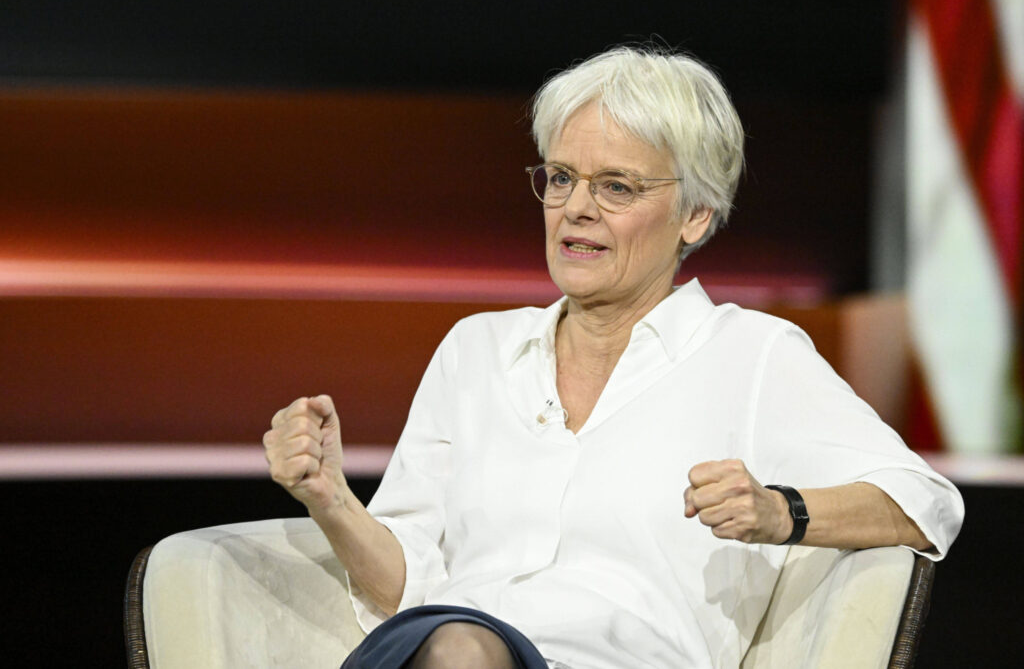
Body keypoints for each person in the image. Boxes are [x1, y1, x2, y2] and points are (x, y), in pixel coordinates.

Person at [263, 46, 964, 669]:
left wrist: (782, 512)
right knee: (456, 644)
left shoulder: (753, 355)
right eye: (561, 177)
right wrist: (331, 499)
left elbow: (926, 503)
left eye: (616, 187)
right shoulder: (476, 350)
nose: (576, 208)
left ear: (695, 214)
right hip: (456, 650)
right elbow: (408, 587)